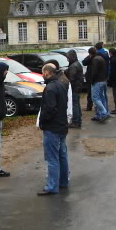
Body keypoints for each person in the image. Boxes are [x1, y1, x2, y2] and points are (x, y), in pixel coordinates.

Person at [37, 63, 69, 195]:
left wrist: (42, 122)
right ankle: (63, 181)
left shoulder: (50, 88)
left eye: (42, 72)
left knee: (52, 158)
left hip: (52, 127)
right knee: (62, 156)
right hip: (62, 125)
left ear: (46, 73)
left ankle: (52, 186)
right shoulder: (61, 84)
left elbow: (49, 109)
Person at [88, 47, 110, 122]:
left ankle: (104, 112)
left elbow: (94, 72)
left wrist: (92, 81)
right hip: (103, 80)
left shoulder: (95, 60)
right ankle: (99, 114)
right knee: (101, 97)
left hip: (97, 81)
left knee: (95, 98)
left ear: (90, 54)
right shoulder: (101, 58)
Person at [65, 50, 84, 128]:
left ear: (72, 57)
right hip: (78, 87)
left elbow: (72, 79)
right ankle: (78, 120)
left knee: (74, 104)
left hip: (74, 88)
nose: (67, 59)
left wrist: (68, 88)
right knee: (76, 104)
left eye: (68, 57)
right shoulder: (77, 64)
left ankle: (76, 122)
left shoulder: (74, 66)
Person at [95, 42, 110, 112]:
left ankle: (102, 111)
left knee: (99, 95)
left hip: (100, 76)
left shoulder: (98, 55)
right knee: (104, 93)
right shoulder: (106, 53)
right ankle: (106, 108)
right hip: (106, 74)